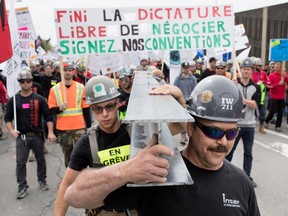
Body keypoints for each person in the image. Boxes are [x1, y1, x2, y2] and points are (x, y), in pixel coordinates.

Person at [64, 75, 260, 216]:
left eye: (232, 133)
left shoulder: (241, 183)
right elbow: (74, 196)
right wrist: (126, 170)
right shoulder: (157, 174)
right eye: (214, 132)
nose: (224, 142)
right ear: (190, 127)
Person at [54, 75, 186, 215]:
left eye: (109, 106)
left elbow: (180, 126)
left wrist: (180, 101)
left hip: (140, 210)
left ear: (118, 103)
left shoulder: (138, 131)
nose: (105, 114)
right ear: (91, 109)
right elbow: (66, 185)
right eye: (98, 108)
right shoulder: (87, 142)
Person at [4, 69, 56, 199]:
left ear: (32, 82)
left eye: (28, 81)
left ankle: (42, 180)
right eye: (22, 81)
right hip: (21, 137)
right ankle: (22, 186)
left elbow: (48, 117)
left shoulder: (39, 99)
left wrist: (50, 132)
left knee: (41, 160)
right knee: (20, 162)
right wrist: (11, 131)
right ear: (19, 83)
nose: (25, 83)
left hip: (37, 135)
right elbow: (7, 118)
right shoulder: (14, 100)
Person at [48, 62, 91, 167]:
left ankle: (82, 176)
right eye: (65, 70)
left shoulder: (81, 88)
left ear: (73, 72)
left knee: (81, 154)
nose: (67, 72)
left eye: (70, 70)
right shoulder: (55, 89)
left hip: (79, 127)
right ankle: (70, 177)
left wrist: (88, 126)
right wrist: (60, 108)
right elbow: (51, 110)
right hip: (63, 129)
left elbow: (86, 109)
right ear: (61, 72)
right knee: (68, 155)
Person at [226, 58, 261, 188]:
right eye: (244, 69)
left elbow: (255, 104)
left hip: (250, 125)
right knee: (229, 150)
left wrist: (242, 99)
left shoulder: (256, 87)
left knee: (248, 152)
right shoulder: (234, 85)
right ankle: (224, 173)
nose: (246, 71)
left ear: (251, 71)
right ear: (240, 70)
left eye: (248, 69)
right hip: (237, 124)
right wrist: (232, 86)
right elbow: (230, 100)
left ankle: (247, 176)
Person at [174, 62, 197, 145]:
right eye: (185, 68)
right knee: (183, 119)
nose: (186, 69)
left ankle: (192, 136)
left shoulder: (193, 79)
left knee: (191, 120)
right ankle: (183, 136)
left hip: (190, 102)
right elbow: (175, 89)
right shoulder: (178, 79)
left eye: (188, 68)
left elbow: (195, 90)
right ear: (182, 68)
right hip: (181, 101)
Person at [264, 62, 288, 132]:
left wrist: (285, 77)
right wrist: (278, 84)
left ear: (281, 68)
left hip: (281, 97)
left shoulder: (284, 75)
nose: (276, 69)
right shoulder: (271, 75)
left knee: (280, 112)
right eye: (275, 67)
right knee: (272, 111)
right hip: (274, 96)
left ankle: (278, 126)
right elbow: (269, 86)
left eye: (277, 67)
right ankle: (266, 121)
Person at [251, 58, 270, 134]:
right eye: (258, 65)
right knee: (250, 111)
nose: (260, 67)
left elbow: (268, 81)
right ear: (254, 65)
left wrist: (263, 82)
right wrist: (256, 83)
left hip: (262, 96)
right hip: (253, 95)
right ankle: (249, 126)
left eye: (261, 65)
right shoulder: (251, 73)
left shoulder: (263, 73)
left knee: (263, 112)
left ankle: (261, 126)